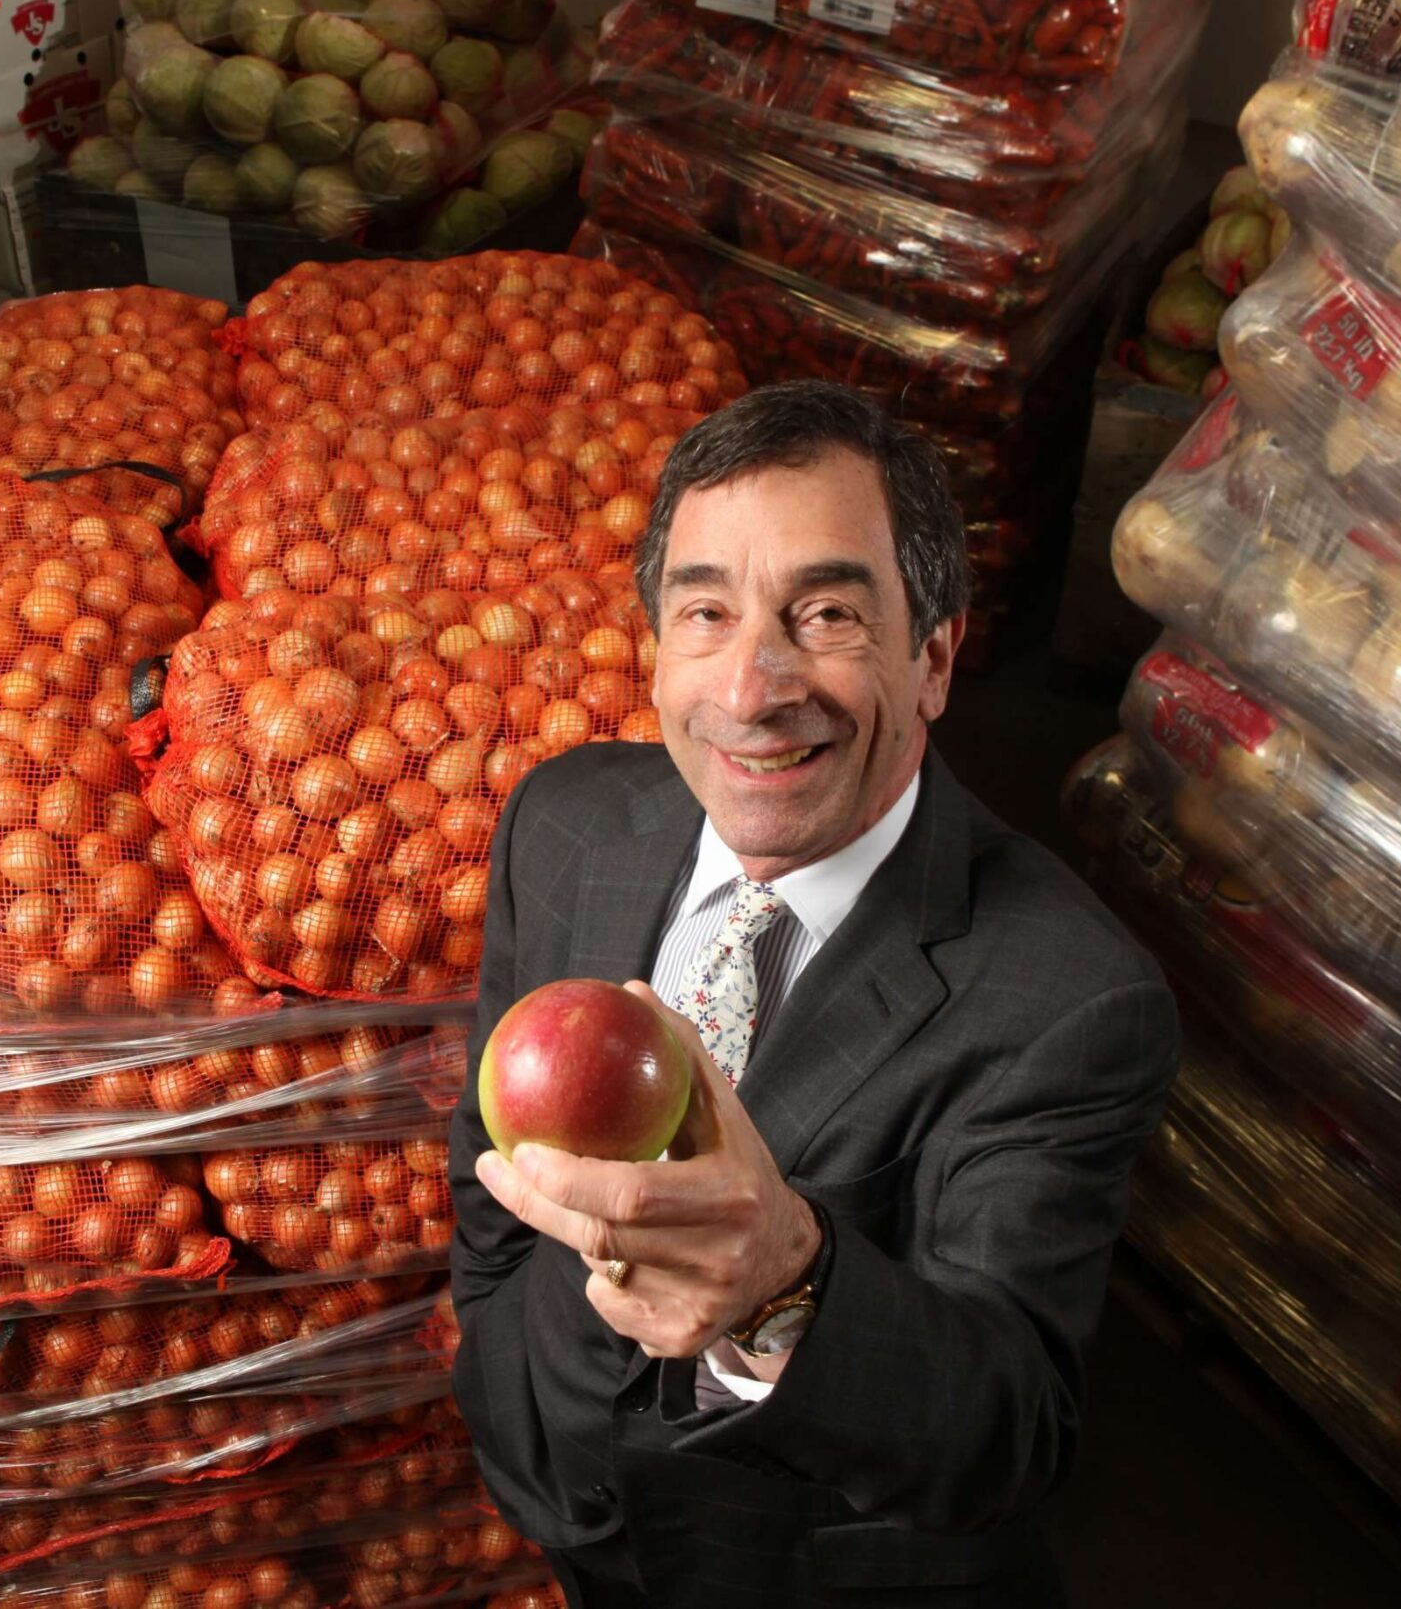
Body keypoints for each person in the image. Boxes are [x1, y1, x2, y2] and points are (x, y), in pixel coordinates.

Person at [447, 380, 1181, 1608]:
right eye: (704, 612)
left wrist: (788, 1272)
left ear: (932, 656)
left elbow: (1007, 1428)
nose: (751, 686)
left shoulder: (1071, 998)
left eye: (827, 611)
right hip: (561, 1509)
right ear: (654, 648)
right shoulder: (563, 823)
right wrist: (508, 1375)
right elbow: (490, 1181)